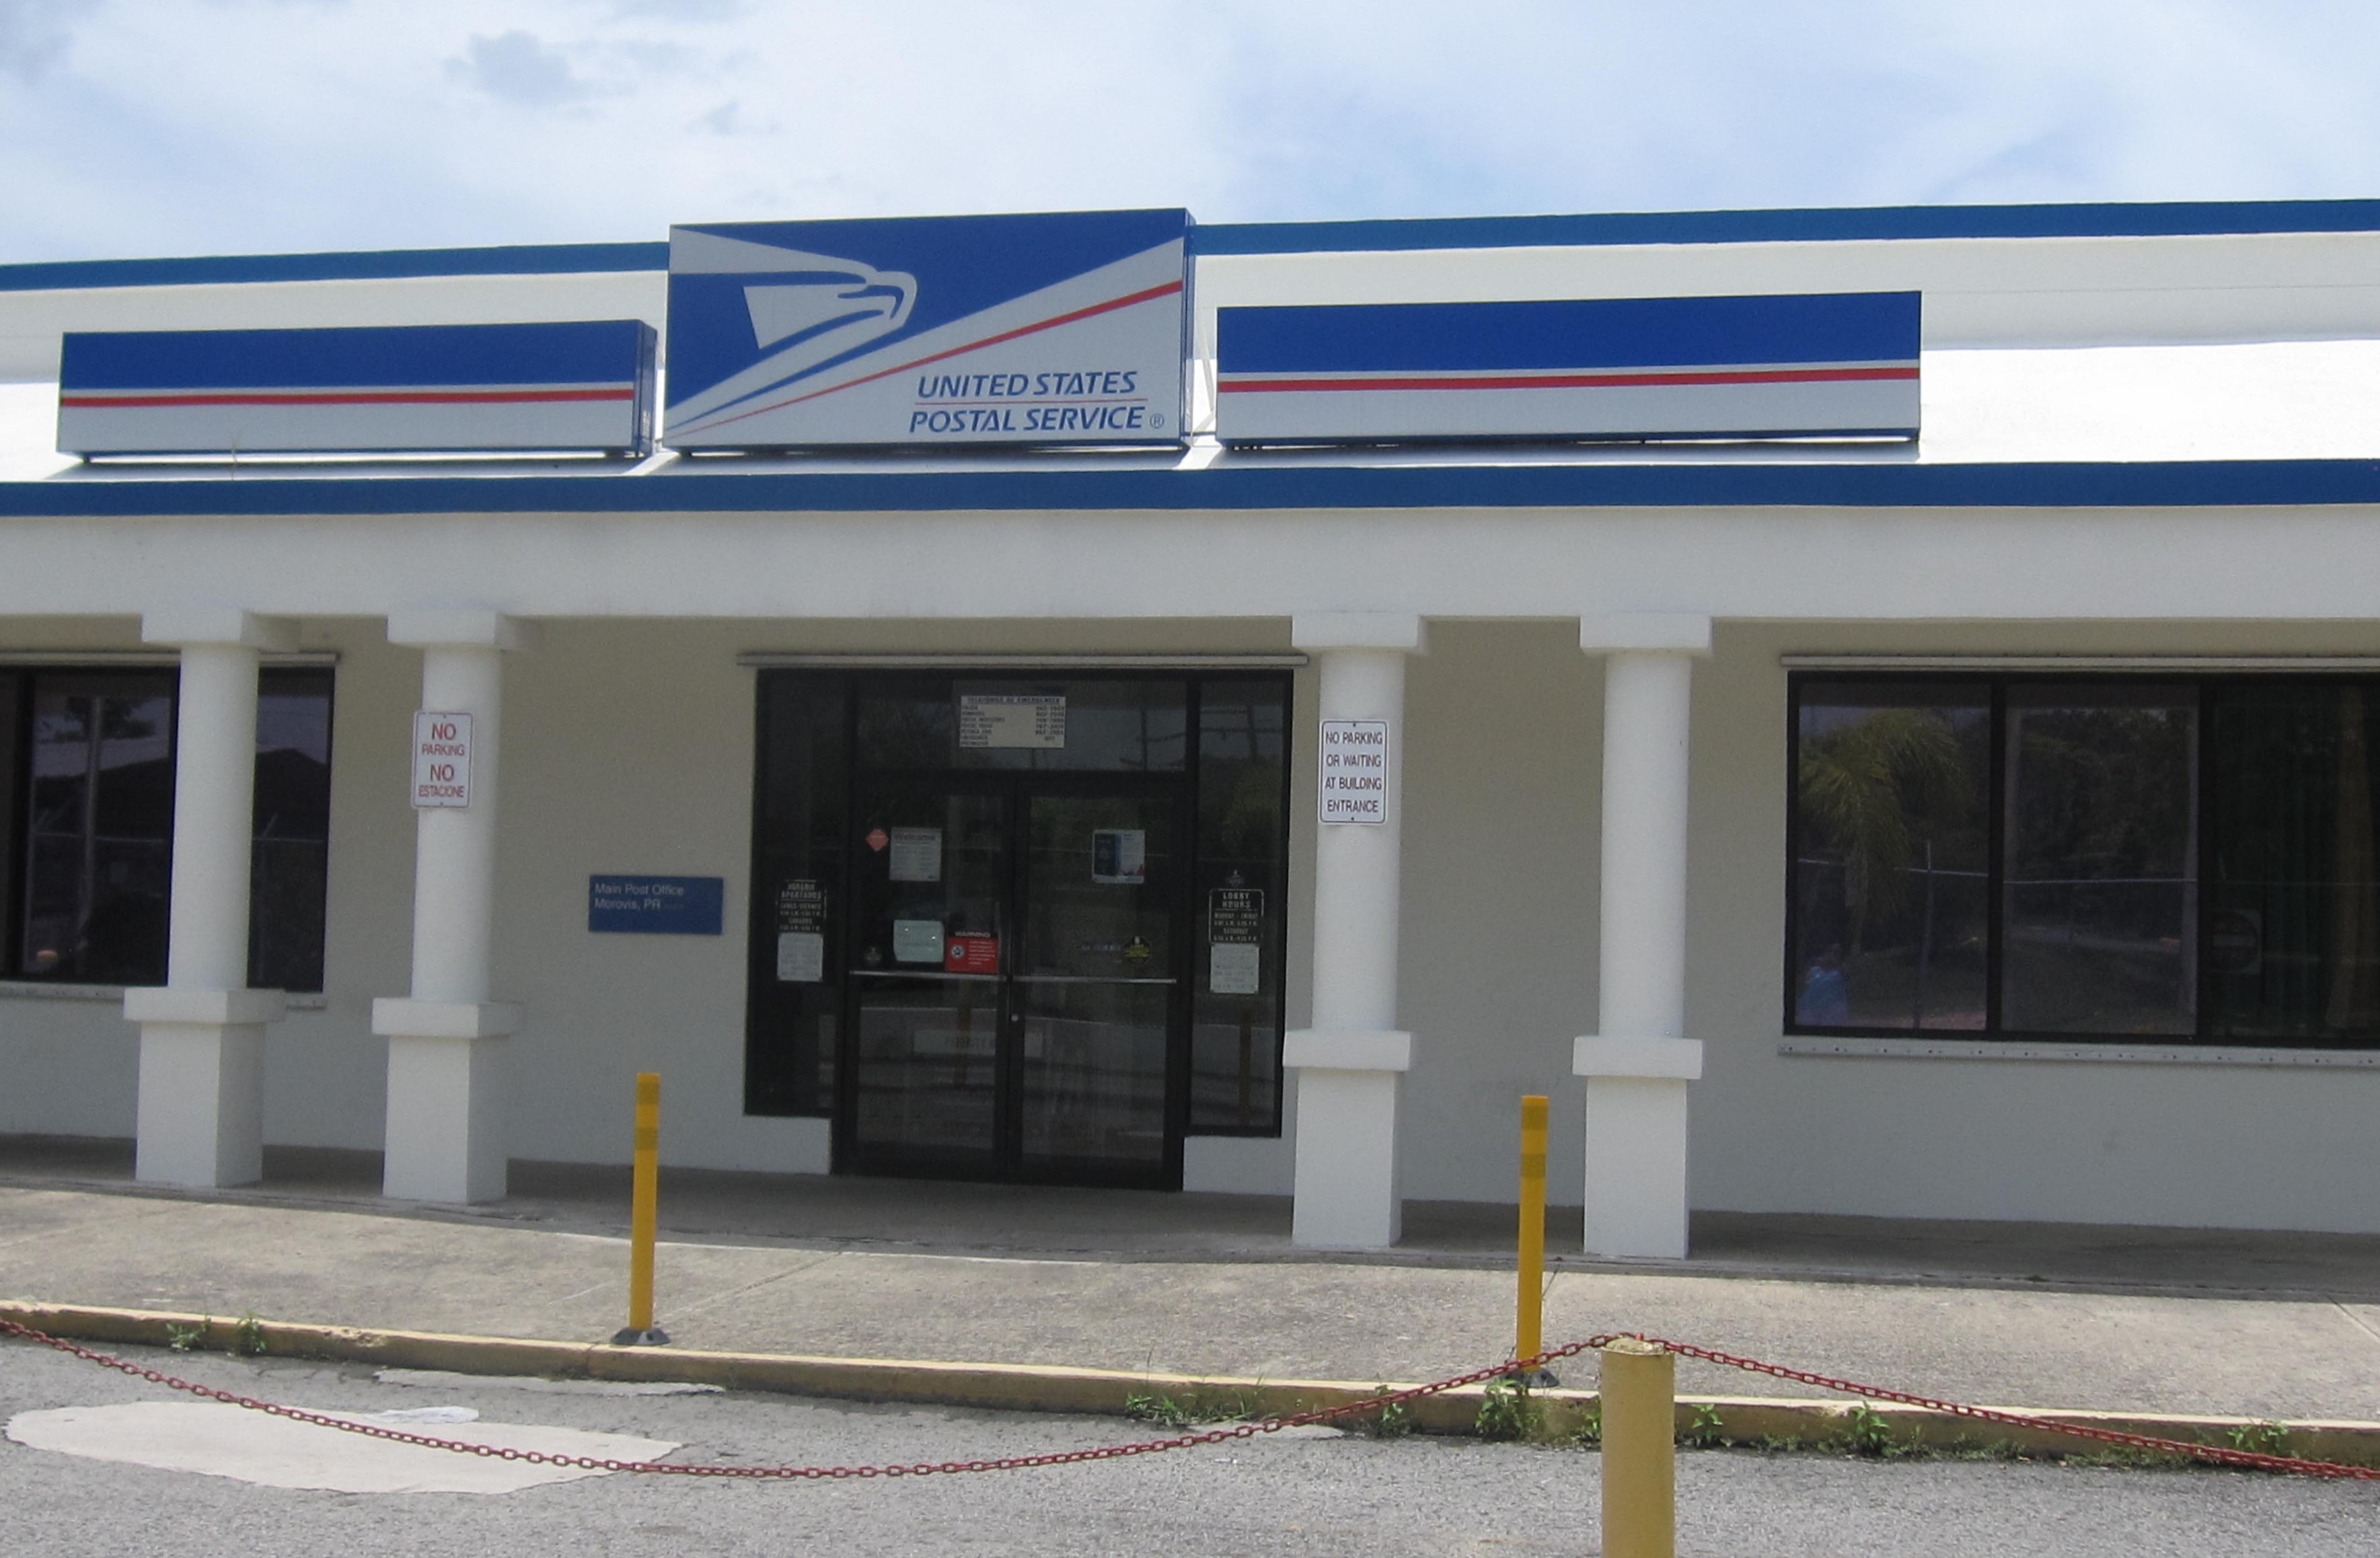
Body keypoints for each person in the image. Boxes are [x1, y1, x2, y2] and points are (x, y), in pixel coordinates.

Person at [1798, 944, 1851, 1026]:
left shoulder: (1840, 972)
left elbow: (1847, 975)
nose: (1831, 955)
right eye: (1830, 952)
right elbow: (1804, 984)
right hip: (1810, 1008)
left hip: (1834, 1009)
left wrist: (1835, 963)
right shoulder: (1814, 970)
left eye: (1836, 953)